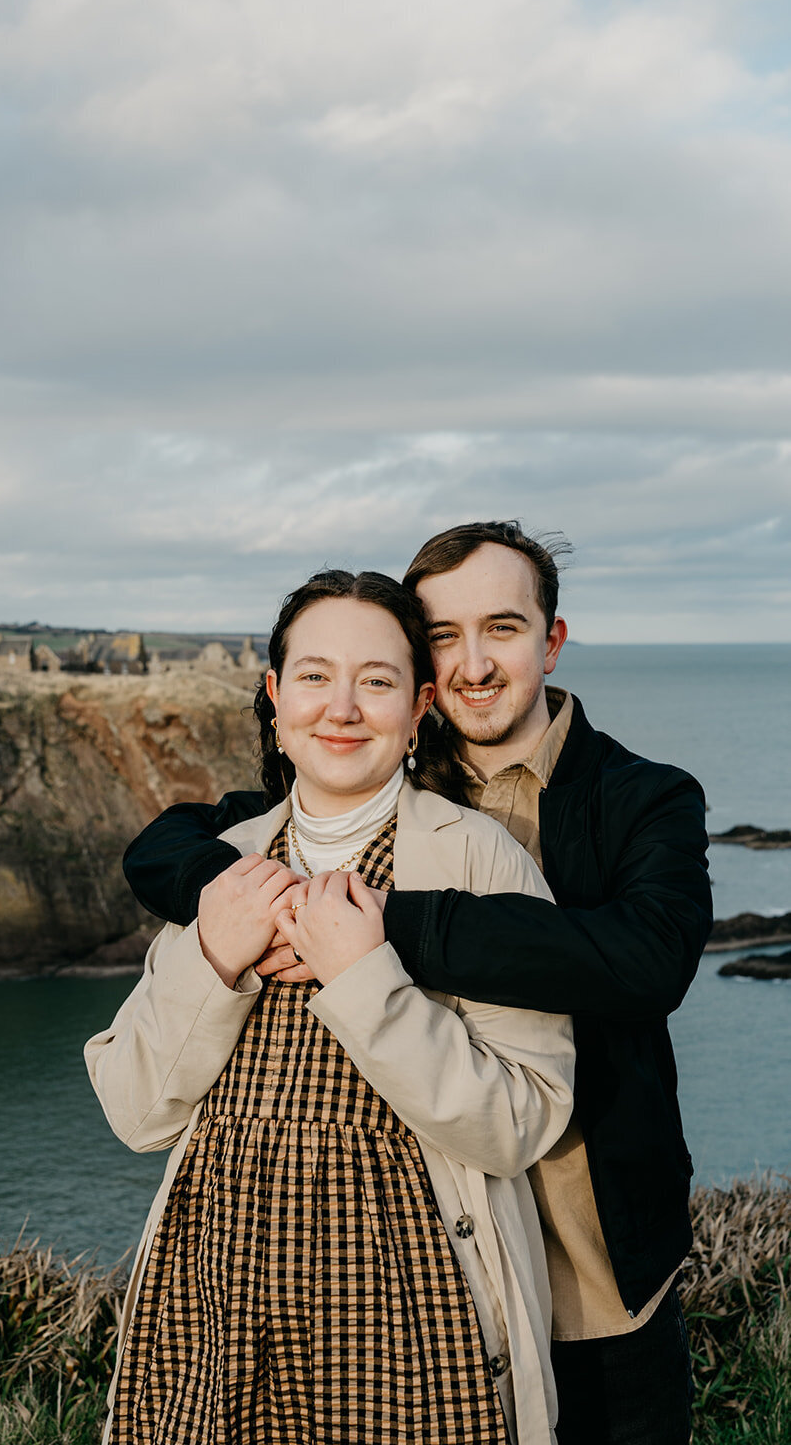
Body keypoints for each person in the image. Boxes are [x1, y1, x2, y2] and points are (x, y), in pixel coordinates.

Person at [122, 523, 712, 1445]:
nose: (474, 663)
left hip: (585, 1250)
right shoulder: (355, 779)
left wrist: (367, 924)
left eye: (503, 628)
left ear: (550, 642)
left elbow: (647, 960)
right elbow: (173, 844)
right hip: (340, 1259)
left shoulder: (641, 797)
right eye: (442, 635)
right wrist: (232, 918)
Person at [88, 570, 575, 1445]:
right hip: (211, 1300)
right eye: (313, 676)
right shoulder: (224, 863)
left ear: (421, 705)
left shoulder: (483, 861)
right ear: (274, 698)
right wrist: (212, 957)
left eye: (377, 681)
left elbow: (519, 1122)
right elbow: (134, 1111)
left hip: (414, 1308)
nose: (340, 707)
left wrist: (362, 982)